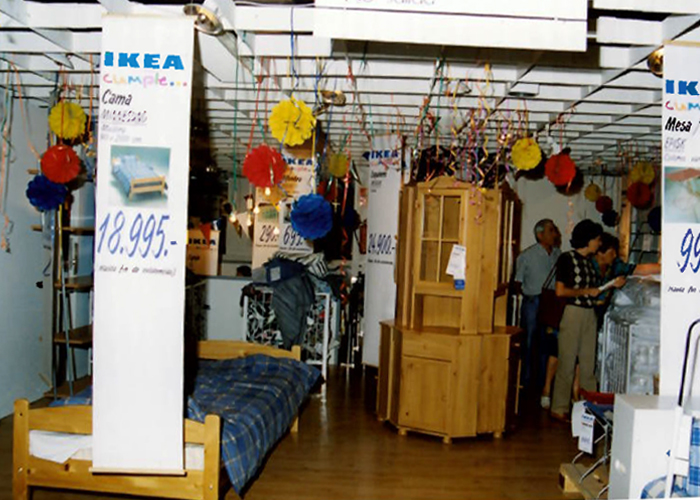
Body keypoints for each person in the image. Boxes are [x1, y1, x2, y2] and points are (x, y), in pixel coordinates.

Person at [550, 220, 624, 421]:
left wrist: (610, 286)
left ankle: (591, 409)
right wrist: (586, 292)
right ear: (588, 239)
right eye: (597, 239)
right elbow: (560, 291)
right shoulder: (567, 259)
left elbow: (593, 291)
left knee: (588, 363)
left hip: (589, 313)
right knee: (567, 362)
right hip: (573, 313)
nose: (599, 243)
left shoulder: (590, 263)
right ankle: (559, 407)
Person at [514, 219, 561, 389]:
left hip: (552, 302)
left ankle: (543, 382)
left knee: (548, 342)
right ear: (540, 235)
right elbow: (517, 282)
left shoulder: (558, 254)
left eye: (554, 230)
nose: (555, 234)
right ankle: (525, 380)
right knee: (529, 341)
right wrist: (530, 296)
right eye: (551, 230)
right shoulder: (526, 256)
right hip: (533, 302)